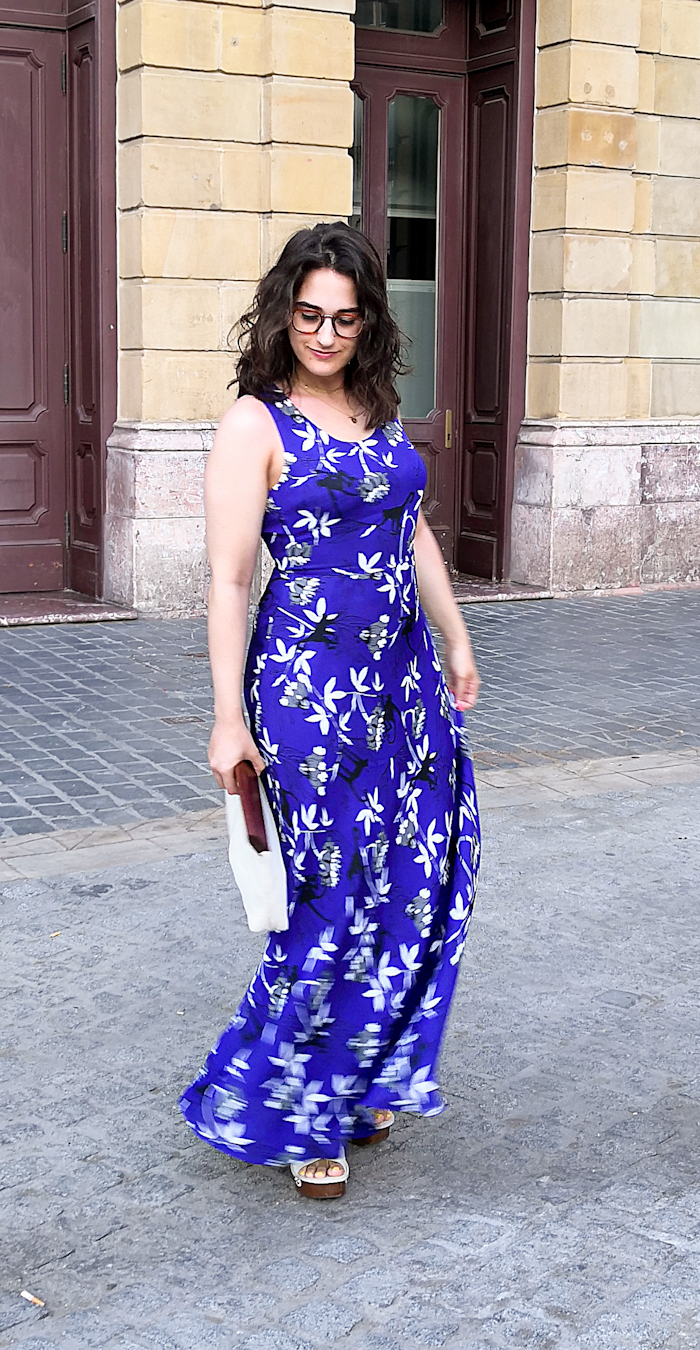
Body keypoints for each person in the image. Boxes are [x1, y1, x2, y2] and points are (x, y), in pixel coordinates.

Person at [179, 222, 481, 1199]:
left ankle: (360, 1073)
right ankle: (306, 1106)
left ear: (367, 326)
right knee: (328, 896)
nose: (324, 334)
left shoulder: (374, 407)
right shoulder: (254, 425)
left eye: (344, 319)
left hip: (403, 692)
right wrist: (229, 719)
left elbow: (413, 530)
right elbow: (229, 581)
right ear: (285, 314)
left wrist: (455, 637)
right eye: (309, 315)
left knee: (416, 876)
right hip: (309, 696)